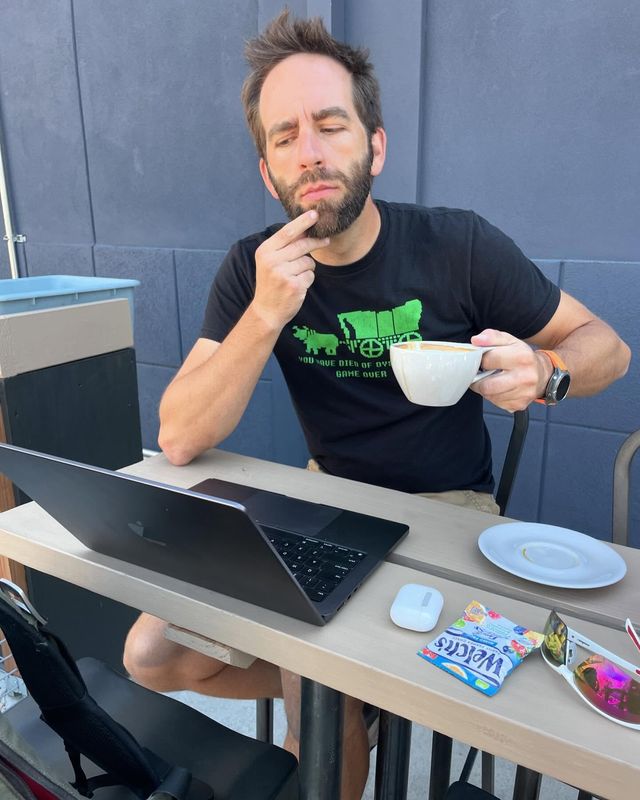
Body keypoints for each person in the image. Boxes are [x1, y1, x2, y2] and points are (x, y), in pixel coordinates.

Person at [123, 10, 631, 799]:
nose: (312, 152)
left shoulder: (457, 245)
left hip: (451, 510)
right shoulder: (254, 269)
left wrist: (548, 368)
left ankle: (335, 696)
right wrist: (264, 314)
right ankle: (356, 691)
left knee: (308, 695)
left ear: (376, 146)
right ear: (267, 170)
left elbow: (609, 347)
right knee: (150, 656)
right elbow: (180, 435)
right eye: (286, 136)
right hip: (324, 503)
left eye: (331, 125)